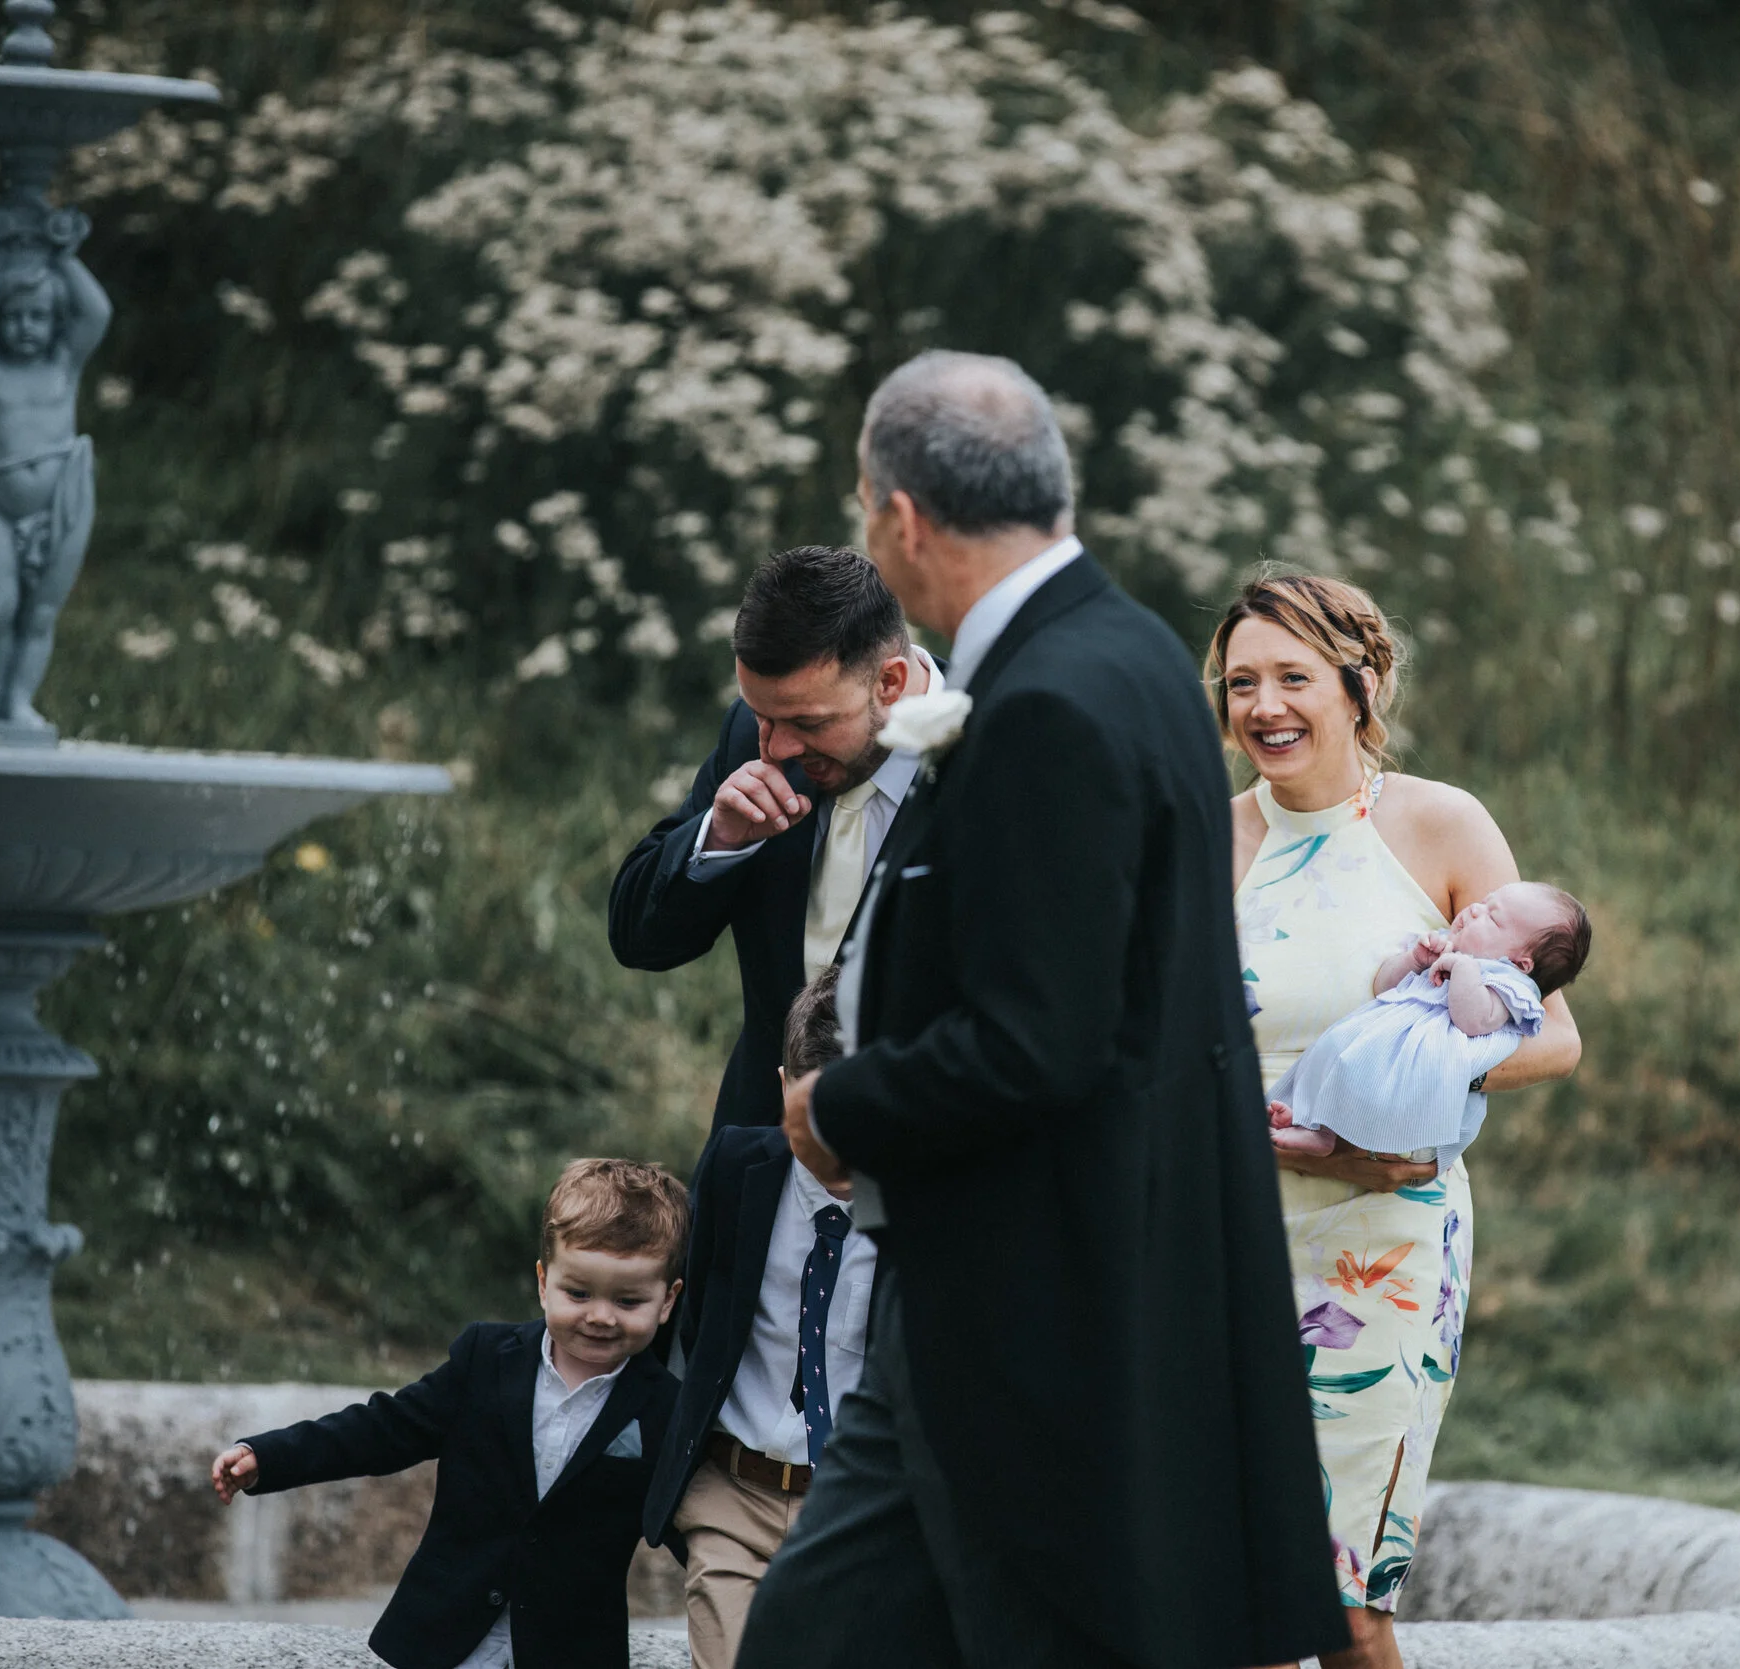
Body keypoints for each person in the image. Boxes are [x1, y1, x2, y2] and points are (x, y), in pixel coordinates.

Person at [750, 350, 1348, 1669]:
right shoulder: (1129, 653)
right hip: (996, 1280)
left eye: (865, 511)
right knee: (815, 1637)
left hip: (1031, 1293)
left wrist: (838, 1103)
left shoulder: (1047, 703)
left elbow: (1040, 1038)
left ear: (902, 517)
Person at [1211, 572, 1583, 1669]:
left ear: (1358, 685)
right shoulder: (1202, 838)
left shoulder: (1439, 822)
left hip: (1380, 1244)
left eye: (1293, 677)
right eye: (1241, 681)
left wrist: (1403, 1105)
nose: (1264, 705)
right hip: (1221, 1231)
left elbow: (1552, 1039)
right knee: (1232, 1584)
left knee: (1339, 1597)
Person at [207, 1160, 688, 1669]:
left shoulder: (667, 1408)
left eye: (628, 1301)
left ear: (667, 1301)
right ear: (544, 1281)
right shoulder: (486, 1360)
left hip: (571, 1652)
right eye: (579, 1293)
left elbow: (695, 1527)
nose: (600, 1316)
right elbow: (384, 1429)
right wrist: (269, 1456)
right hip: (443, 1639)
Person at [609, 545, 943, 1139]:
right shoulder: (752, 735)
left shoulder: (998, 750)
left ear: (890, 683)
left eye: (808, 723)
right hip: (765, 1153)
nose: (777, 748)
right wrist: (719, 838)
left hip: (929, 1154)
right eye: (761, 715)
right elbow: (638, 939)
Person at [645, 968, 876, 1669]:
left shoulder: (926, 1206)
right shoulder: (736, 1166)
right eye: (817, 1119)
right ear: (783, 1088)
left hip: (857, 1509)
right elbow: (695, 1319)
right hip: (735, 1497)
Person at [1267, 881, 1591, 1170]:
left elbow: (1474, 1021)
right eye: (1483, 902)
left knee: (1364, 1079)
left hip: (1420, 1074)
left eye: (1492, 918)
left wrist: (1463, 969)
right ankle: (1313, 1123)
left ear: (1522, 964)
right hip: (1383, 1042)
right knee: (1337, 1051)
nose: (1474, 910)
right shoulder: (1448, 948)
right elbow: (1384, 987)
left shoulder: (1508, 985)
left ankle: (1330, 1135)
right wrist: (1414, 961)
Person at [0, 201, 111, 735]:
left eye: (38, 317)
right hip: (1, 509)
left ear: (55, 322)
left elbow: (97, 314)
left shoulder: (63, 365)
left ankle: (19, 701)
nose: (25, 327)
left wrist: (66, 259)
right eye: (14, 317)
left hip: (62, 503)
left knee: (39, 613)